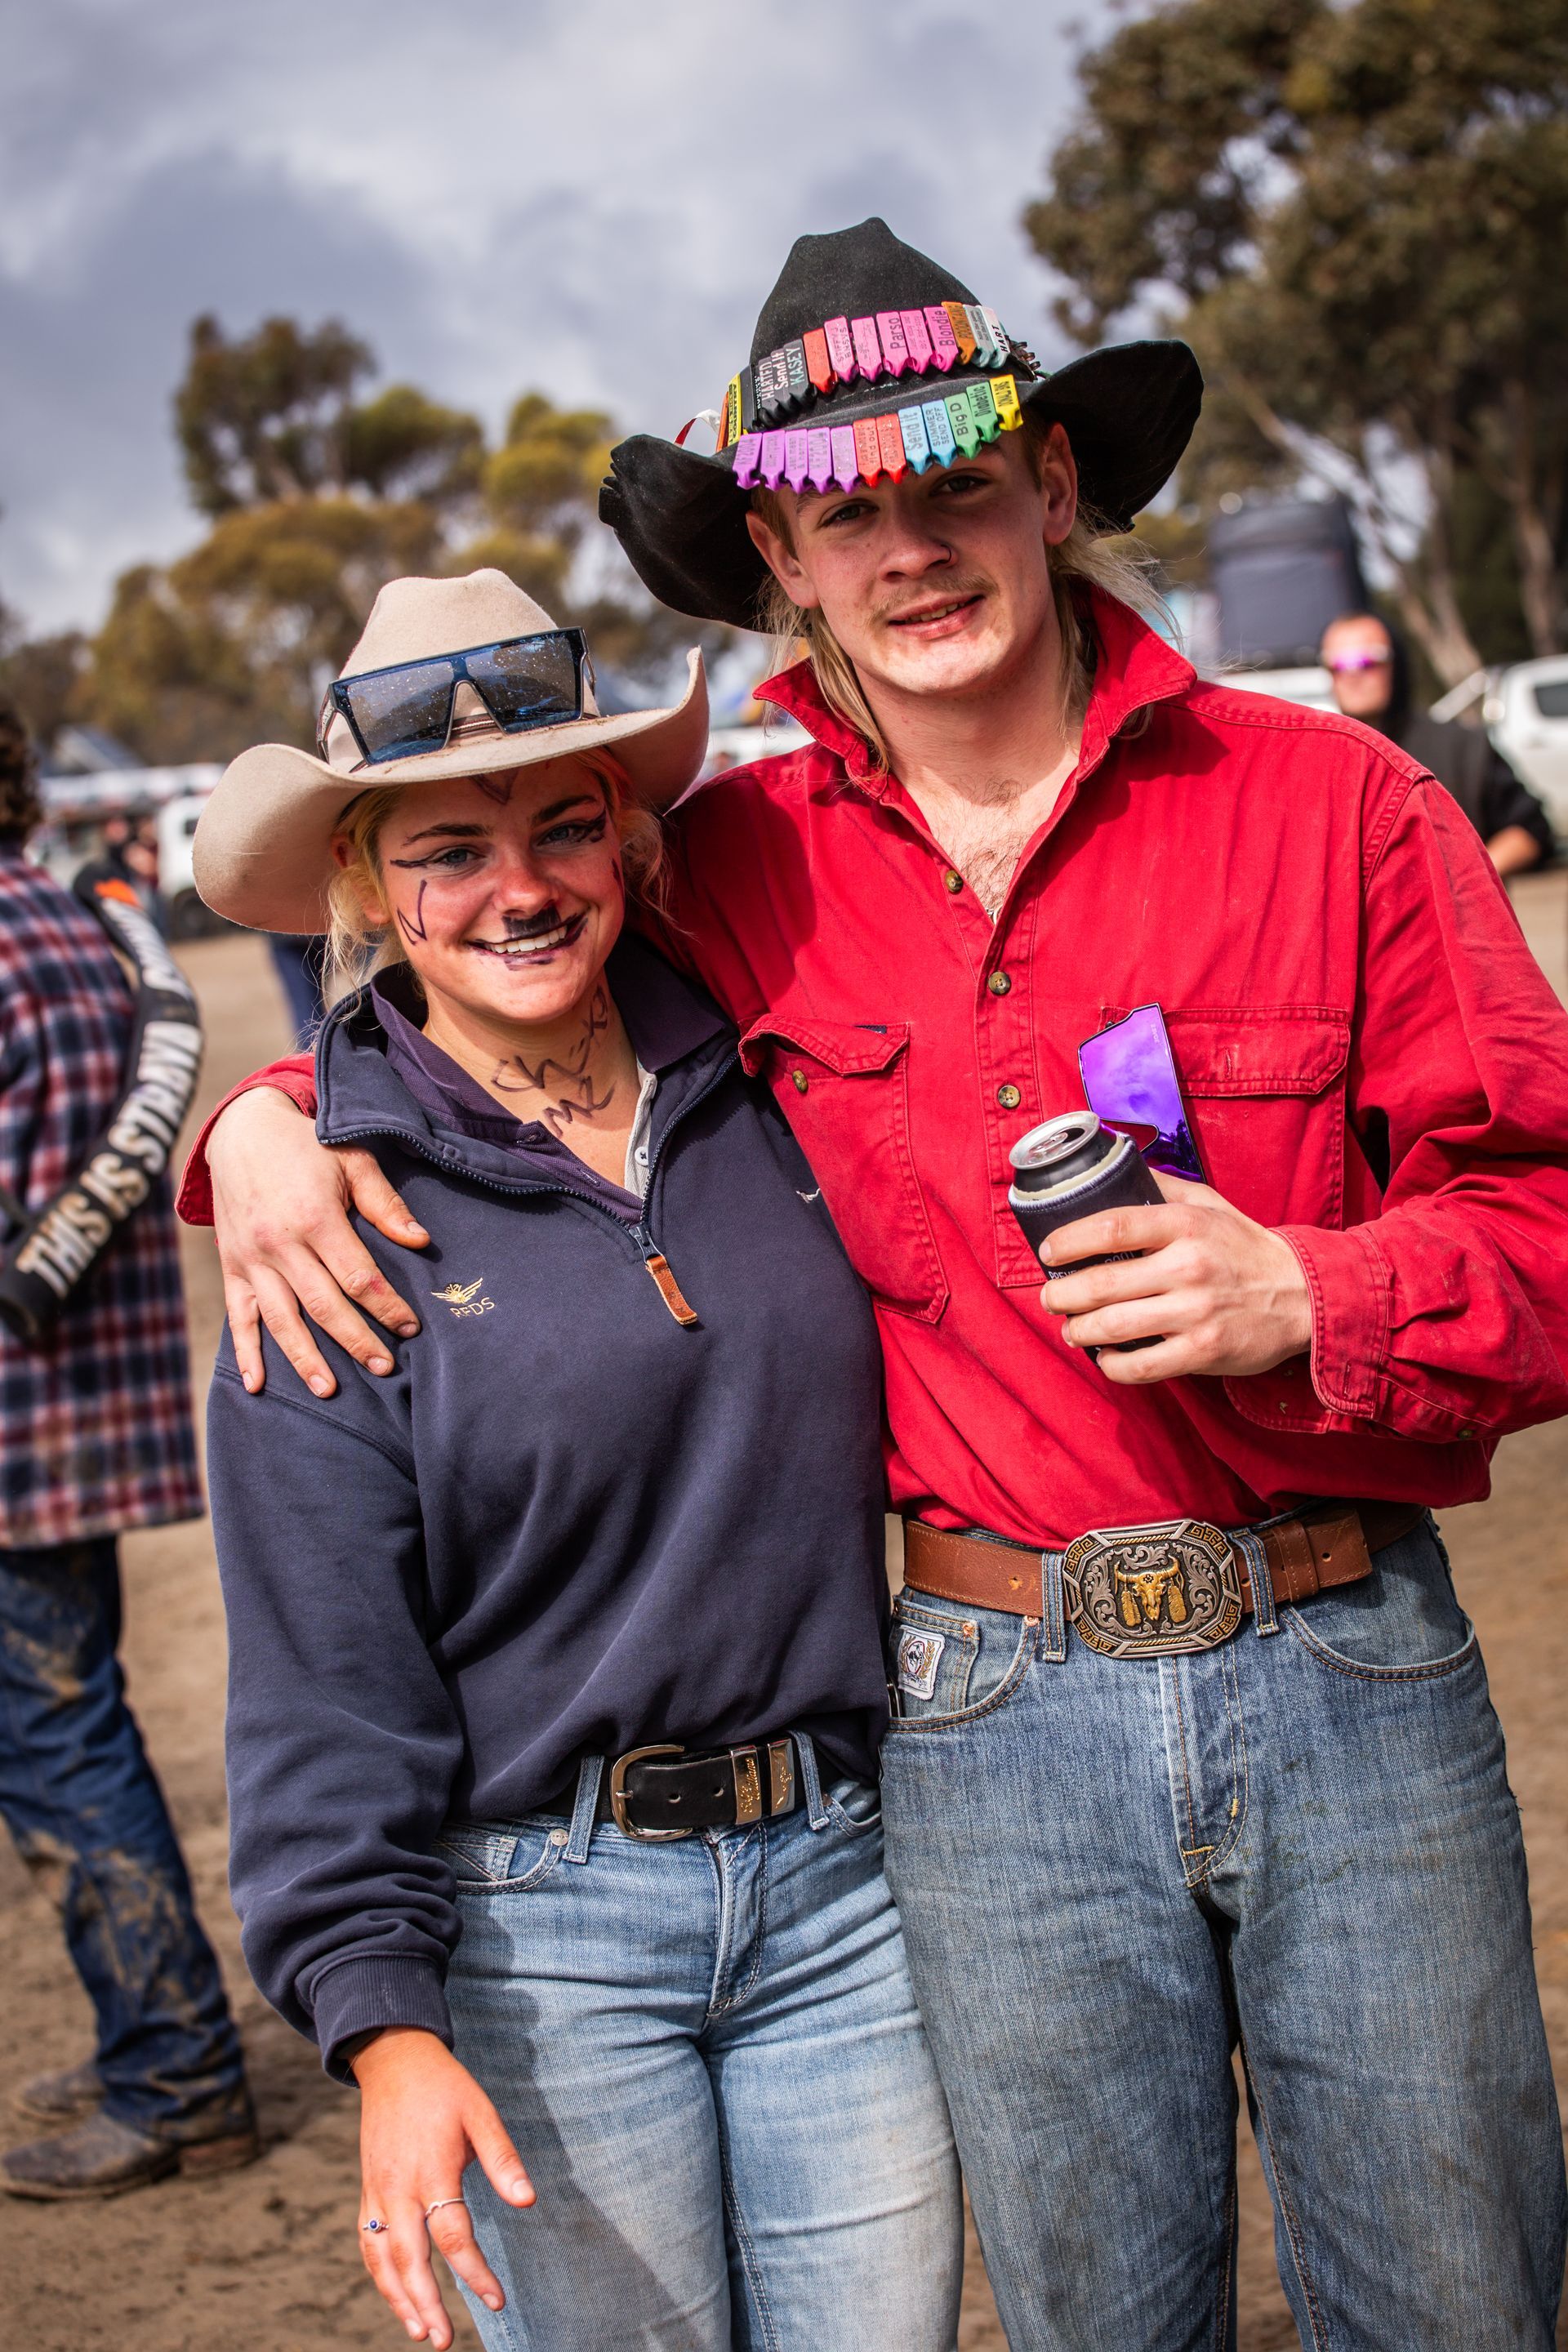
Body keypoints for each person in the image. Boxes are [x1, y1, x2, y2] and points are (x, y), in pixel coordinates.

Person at [186, 223, 1568, 2350]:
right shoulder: (739, 866)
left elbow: (1545, 1218)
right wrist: (268, 1120)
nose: (912, 553)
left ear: (1057, 492)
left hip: (1350, 1665)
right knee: (1109, 2318)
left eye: (954, 488)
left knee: (1467, 2299)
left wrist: (1315, 1289)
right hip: (985, 1717)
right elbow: (488, 972)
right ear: (782, 567)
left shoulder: (1342, 806)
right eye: (845, 517)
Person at [191, 568, 961, 2352]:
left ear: (630, 839)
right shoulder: (327, 1231)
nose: (517, 888)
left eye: (561, 826)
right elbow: (322, 1687)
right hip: (547, 1944)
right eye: (446, 852)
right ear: (371, 891)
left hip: (853, 1896)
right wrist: (386, 2031)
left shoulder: (778, 1076)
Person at [0, 696, 255, 2198]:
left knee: (61, 1747)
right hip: (75, 1413)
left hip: (18, 1421)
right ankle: (147, 2045)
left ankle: (174, 2073)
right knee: (70, 1732)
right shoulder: (67, 917)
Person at [1321, 609, 1554, 874]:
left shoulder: (1462, 745)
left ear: (1397, 665)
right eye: (1337, 665)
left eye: (1367, 661)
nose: (1352, 675)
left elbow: (1531, 828)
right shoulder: (1321, 759)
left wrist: (1469, 879)